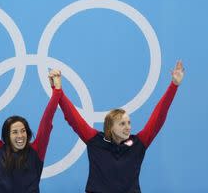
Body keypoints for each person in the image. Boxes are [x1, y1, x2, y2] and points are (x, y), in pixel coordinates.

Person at [57, 61, 184, 193]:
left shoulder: (138, 143)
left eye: (129, 123)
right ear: (110, 127)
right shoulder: (95, 140)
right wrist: (58, 91)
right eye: (122, 124)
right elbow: (73, 117)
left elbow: (158, 117)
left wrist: (174, 86)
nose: (128, 127)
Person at [0, 68, 62, 192]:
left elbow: (47, 120)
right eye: (14, 132)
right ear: (7, 135)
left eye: (23, 131)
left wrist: (56, 90)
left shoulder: (37, 150)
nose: (20, 135)